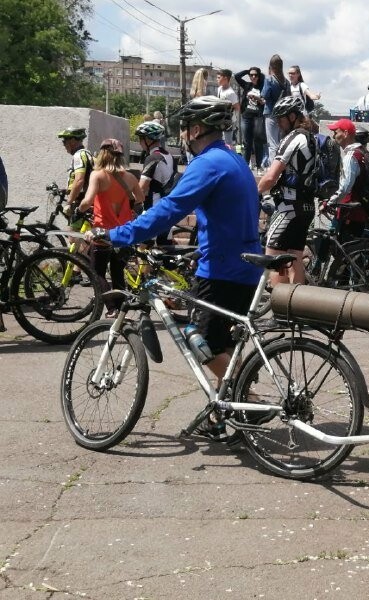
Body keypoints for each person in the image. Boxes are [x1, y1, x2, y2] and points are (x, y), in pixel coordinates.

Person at [86, 97, 262, 431]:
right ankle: (223, 412)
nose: (182, 135)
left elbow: (169, 210)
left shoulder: (207, 164)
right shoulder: (235, 160)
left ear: (196, 129)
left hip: (223, 269)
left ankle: (250, 403)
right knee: (223, 345)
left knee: (199, 339)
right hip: (243, 264)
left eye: (184, 128)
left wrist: (117, 235)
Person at [77, 138, 143, 316]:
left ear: (102, 154)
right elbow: (140, 198)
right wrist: (124, 207)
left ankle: (111, 308)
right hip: (123, 231)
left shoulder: (97, 175)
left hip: (102, 231)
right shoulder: (130, 177)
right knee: (117, 272)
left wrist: (78, 208)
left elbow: (88, 201)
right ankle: (120, 309)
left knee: (97, 272)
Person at [257, 96, 316, 287]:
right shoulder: (310, 137)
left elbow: (271, 176)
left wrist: (253, 192)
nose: (279, 124)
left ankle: (279, 308)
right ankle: (295, 309)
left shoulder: (292, 138)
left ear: (292, 116)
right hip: (305, 206)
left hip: (288, 207)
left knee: (274, 257)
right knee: (295, 258)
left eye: (281, 118)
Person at [325, 118, 369, 239]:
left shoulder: (351, 157)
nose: (333, 135)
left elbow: (345, 187)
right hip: (360, 211)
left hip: (351, 214)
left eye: (336, 132)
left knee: (347, 253)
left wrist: (329, 203)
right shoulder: (362, 152)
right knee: (354, 253)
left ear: (345, 134)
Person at [135, 121, 174, 212]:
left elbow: (141, 189)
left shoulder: (152, 158)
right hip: (167, 205)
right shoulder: (168, 155)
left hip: (154, 208)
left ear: (148, 140)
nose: (140, 142)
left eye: (141, 138)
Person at [58, 126, 94, 221]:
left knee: (72, 234)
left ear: (73, 140)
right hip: (86, 201)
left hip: (81, 203)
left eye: (64, 141)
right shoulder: (85, 154)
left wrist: (69, 203)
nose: (64, 145)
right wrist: (68, 189)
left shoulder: (79, 155)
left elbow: (79, 180)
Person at [234, 66, 267, 169]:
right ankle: (245, 166)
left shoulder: (263, 87)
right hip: (246, 117)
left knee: (258, 142)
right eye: (251, 75)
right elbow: (236, 76)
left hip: (258, 117)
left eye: (255, 75)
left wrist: (257, 98)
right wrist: (247, 71)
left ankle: (258, 166)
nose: (253, 77)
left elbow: (264, 101)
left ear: (259, 76)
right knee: (247, 143)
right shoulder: (247, 85)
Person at [262, 55, 292, 167]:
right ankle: (282, 167)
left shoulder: (269, 79)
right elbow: (289, 97)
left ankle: (272, 168)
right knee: (281, 142)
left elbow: (265, 95)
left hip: (270, 112)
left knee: (272, 143)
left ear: (271, 66)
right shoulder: (286, 82)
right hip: (283, 114)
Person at [215, 70, 239, 146]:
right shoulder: (219, 89)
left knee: (228, 143)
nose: (217, 79)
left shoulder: (231, 93)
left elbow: (237, 107)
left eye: (219, 78)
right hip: (220, 119)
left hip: (228, 121)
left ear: (225, 78)